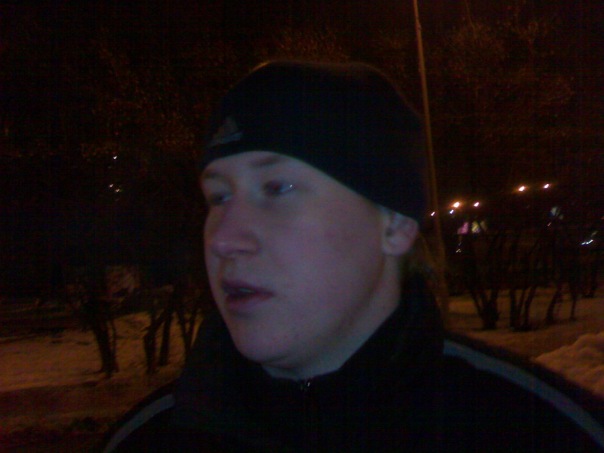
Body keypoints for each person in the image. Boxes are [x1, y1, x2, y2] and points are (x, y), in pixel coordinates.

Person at [110, 61, 604, 452]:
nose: (223, 239)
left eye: (277, 187)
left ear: (394, 223)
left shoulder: (542, 430)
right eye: (218, 197)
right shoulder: (147, 440)